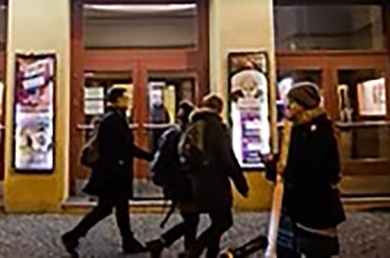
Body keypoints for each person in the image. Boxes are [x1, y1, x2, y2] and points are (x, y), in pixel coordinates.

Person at [61, 86, 153, 256]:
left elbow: (124, 147)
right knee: (106, 208)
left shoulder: (114, 118)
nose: (129, 101)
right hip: (113, 174)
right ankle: (73, 235)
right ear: (117, 100)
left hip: (114, 172)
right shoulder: (113, 120)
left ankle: (128, 241)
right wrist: (148, 156)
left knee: (119, 208)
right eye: (126, 98)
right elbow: (122, 147)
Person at [263, 82, 345, 258]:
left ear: (302, 105)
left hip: (312, 202)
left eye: (291, 103)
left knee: (314, 248)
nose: (287, 108)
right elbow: (290, 161)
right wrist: (273, 163)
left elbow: (321, 168)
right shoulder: (294, 129)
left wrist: (282, 169)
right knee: (290, 247)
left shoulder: (319, 131)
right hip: (297, 201)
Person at [183, 94, 249, 258]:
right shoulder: (217, 127)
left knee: (217, 220)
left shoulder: (194, 123)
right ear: (220, 108)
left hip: (197, 179)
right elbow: (227, 157)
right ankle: (195, 250)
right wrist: (240, 183)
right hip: (216, 181)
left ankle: (210, 253)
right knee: (224, 221)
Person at [146, 100, 197, 258]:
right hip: (183, 183)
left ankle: (183, 248)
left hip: (174, 183)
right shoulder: (182, 137)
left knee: (190, 218)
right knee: (191, 219)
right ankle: (165, 243)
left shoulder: (169, 134)